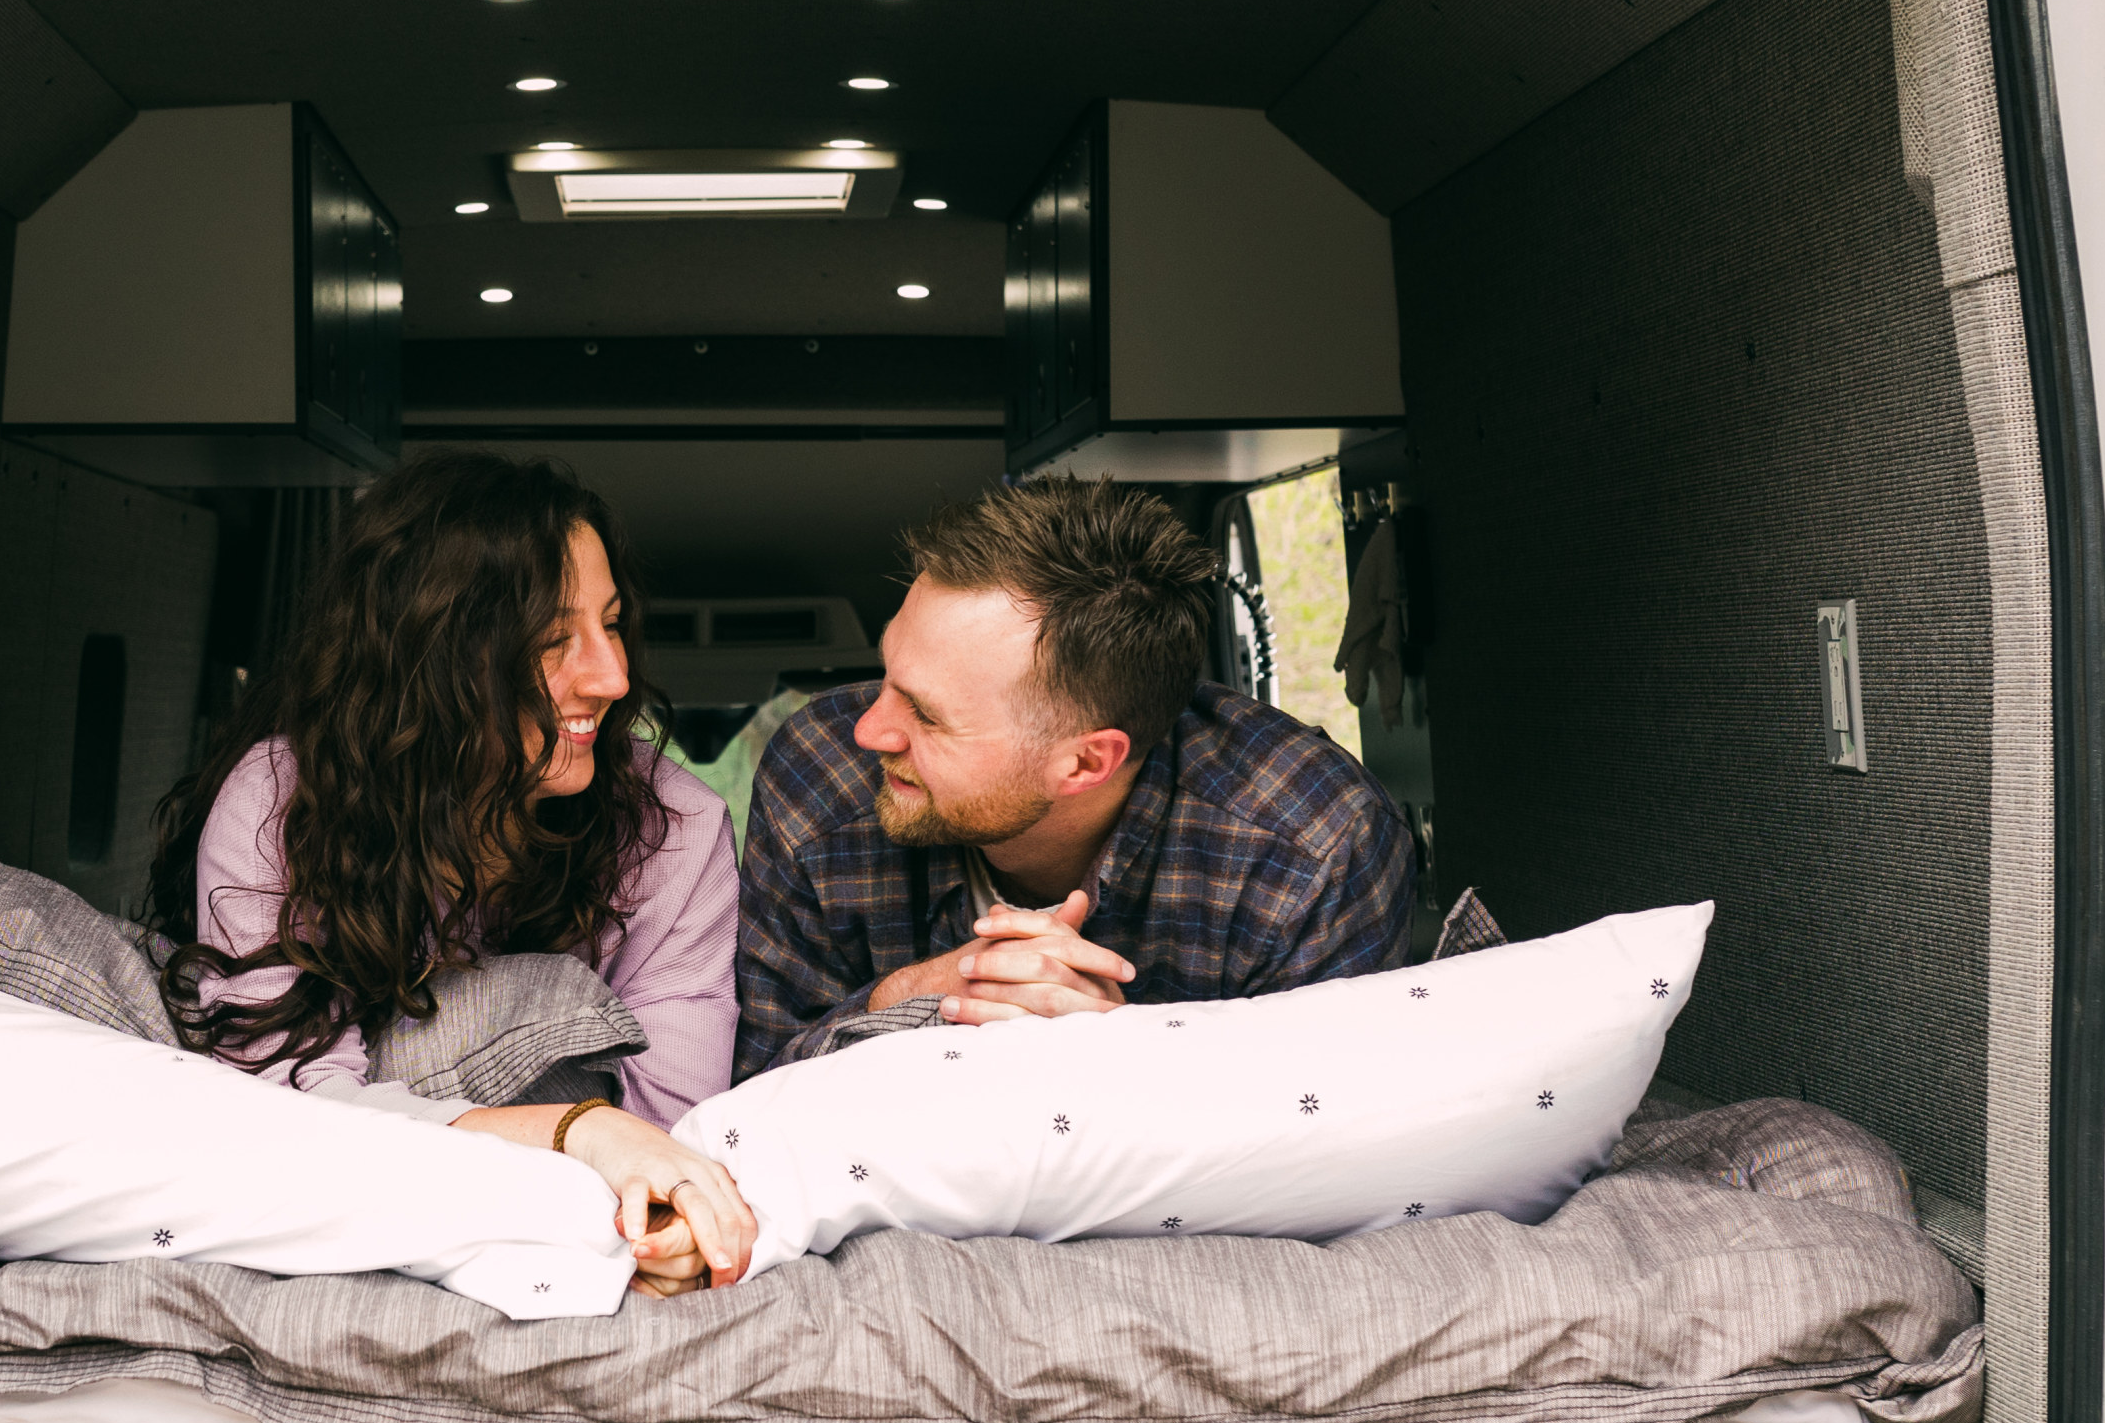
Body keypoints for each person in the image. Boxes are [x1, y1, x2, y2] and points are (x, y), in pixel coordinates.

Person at [151, 452, 755, 1293]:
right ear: (432, 658)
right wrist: (577, 1131)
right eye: (552, 640)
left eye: (611, 624)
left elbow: (669, 1140)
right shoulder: (279, 802)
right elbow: (286, 1111)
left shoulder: (674, 828)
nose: (613, 678)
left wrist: (658, 1217)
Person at [736, 478, 1418, 1075]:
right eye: (886, 675)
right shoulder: (822, 772)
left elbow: (1329, 1148)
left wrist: (1132, 1062)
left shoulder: (1311, 848)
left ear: (1087, 762)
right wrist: (908, 1001)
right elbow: (746, 1099)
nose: (869, 731)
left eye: (927, 715)